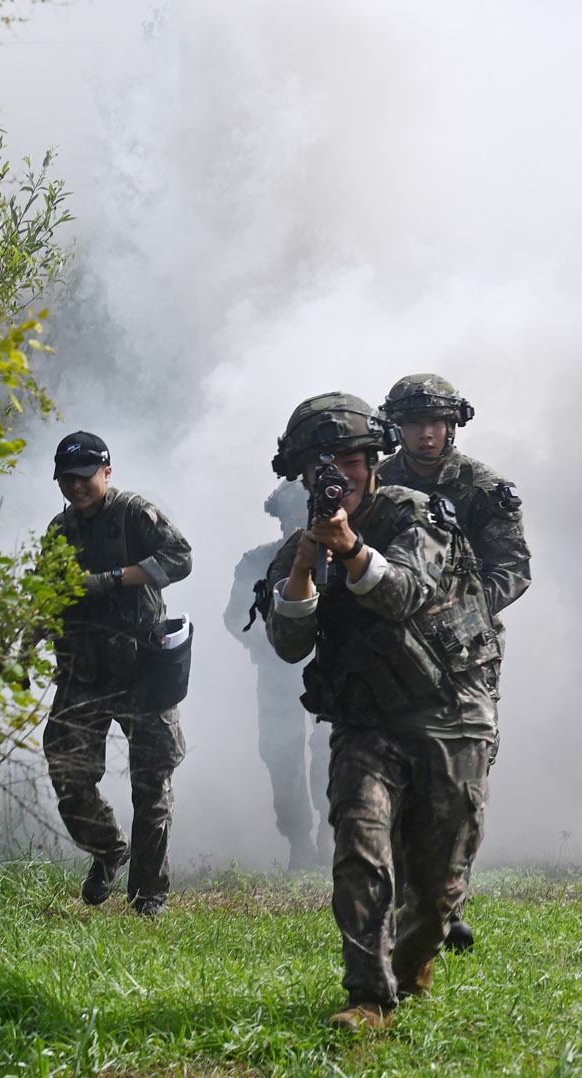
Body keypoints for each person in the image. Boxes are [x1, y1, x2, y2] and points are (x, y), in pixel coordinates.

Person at [261, 393, 499, 1031]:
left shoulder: (415, 515)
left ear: (373, 462)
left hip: (451, 712)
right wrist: (305, 569)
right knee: (360, 851)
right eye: (322, 466)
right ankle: (368, 996)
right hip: (366, 722)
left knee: (439, 880)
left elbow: (405, 594)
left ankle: (415, 958)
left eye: (350, 461)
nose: (338, 476)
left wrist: (351, 549)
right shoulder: (299, 547)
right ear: (302, 475)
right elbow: (288, 646)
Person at [376, 374, 530, 951]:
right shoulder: (376, 484)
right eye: (415, 423)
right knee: (394, 770)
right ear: (397, 428)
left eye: (437, 422)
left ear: (453, 425)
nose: (427, 433)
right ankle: (409, 902)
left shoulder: (481, 488)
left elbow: (512, 569)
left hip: (465, 652)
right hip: (391, 648)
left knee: (462, 780)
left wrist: (458, 611)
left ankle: (447, 901)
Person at [42, 431, 193, 917]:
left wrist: (112, 579)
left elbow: (180, 558)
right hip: (83, 672)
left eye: (85, 477)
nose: (76, 487)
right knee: (68, 771)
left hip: (141, 669)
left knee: (152, 784)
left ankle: (149, 895)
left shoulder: (133, 513)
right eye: (67, 479)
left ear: (106, 473)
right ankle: (109, 849)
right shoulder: (59, 530)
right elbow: (47, 593)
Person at [226, 482, 332, 871]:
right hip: (277, 674)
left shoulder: (337, 555)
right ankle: (298, 839)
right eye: (288, 514)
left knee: (331, 748)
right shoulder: (259, 561)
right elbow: (235, 617)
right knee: (281, 756)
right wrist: (266, 640)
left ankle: (330, 832)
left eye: (302, 512)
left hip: (329, 669)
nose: (295, 521)